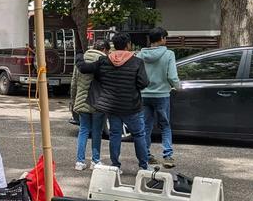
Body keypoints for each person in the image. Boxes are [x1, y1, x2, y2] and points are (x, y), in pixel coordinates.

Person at [77, 32, 150, 170]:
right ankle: (143, 166)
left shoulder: (104, 60)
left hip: (112, 106)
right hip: (132, 106)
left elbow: (84, 68)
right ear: (128, 45)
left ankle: (115, 165)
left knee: (115, 135)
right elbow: (144, 83)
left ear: (114, 46)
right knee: (139, 134)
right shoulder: (137, 62)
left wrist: (79, 56)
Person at [137, 27, 179, 168]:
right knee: (165, 126)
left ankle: (146, 155)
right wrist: (177, 86)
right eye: (165, 38)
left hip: (144, 95)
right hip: (162, 95)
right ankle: (167, 156)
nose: (166, 40)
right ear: (161, 38)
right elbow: (172, 76)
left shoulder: (140, 55)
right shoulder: (169, 54)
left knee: (146, 126)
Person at [71, 40, 109, 170]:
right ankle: (95, 160)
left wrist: (73, 99)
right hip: (98, 101)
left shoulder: (81, 60)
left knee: (83, 130)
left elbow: (74, 83)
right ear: (104, 49)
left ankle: (80, 162)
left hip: (81, 100)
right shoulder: (104, 60)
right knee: (97, 132)